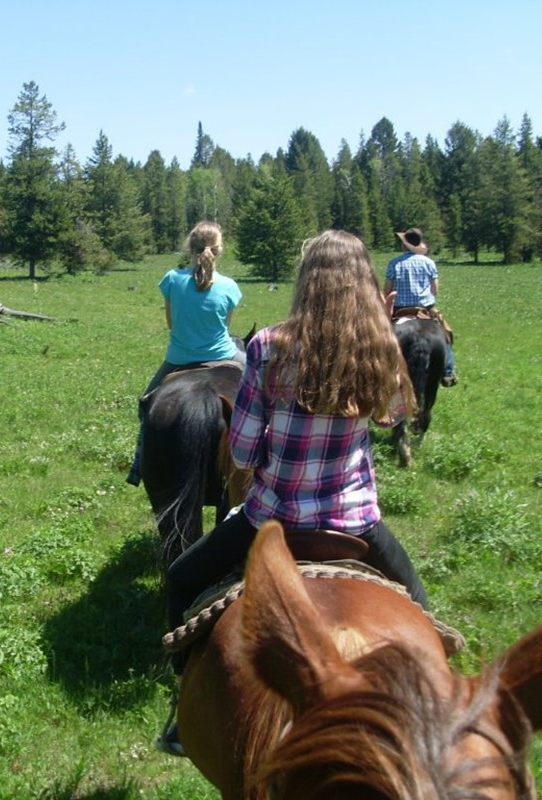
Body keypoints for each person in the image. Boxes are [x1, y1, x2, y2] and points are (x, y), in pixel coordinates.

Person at [157, 229, 427, 756]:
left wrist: (263, 456)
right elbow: (394, 414)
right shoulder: (376, 344)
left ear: (307, 282)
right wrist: (385, 327)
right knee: (420, 609)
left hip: (271, 517)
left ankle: (181, 707)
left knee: (182, 578)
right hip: (355, 523)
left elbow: (239, 452)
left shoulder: (267, 346)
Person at [126, 221, 244, 486]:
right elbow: (225, 327)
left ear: (190, 248)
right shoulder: (230, 286)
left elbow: (171, 323)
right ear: (219, 250)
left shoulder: (171, 280)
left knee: (146, 405)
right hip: (225, 355)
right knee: (263, 398)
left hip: (178, 359)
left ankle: (139, 464)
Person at [385, 228, 458, 386]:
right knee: (446, 333)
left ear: (405, 245)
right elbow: (435, 290)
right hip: (425, 309)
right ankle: (448, 372)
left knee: (381, 337)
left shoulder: (394, 263)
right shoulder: (429, 263)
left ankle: (381, 368)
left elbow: (387, 290)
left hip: (400, 309)